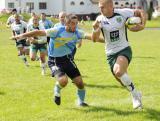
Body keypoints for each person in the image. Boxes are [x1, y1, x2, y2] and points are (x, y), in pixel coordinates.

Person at [11, 14, 99, 106]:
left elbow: (93, 38)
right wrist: (21, 35)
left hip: (68, 59)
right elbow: (38, 32)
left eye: (76, 23)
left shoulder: (77, 32)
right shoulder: (57, 31)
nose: (75, 25)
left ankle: (81, 102)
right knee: (63, 81)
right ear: (67, 23)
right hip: (55, 60)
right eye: (73, 23)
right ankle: (57, 90)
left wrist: (108, 40)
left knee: (80, 83)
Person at [92, 0, 146, 109]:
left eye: (102, 7)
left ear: (111, 6)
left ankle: (135, 97)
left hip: (124, 49)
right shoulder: (99, 19)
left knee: (119, 71)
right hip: (110, 54)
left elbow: (141, 11)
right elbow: (95, 39)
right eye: (99, 7)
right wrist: (95, 29)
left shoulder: (123, 13)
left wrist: (142, 25)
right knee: (123, 80)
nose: (100, 9)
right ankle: (136, 94)